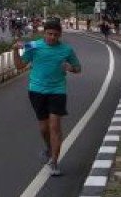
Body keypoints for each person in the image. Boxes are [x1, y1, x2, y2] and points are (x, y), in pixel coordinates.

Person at [13, 18, 81, 177]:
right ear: (44, 33)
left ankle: (54, 161)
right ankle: (50, 148)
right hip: (36, 90)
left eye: (56, 35)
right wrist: (15, 50)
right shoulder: (34, 46)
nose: (52, 37)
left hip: (58, 91)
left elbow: (78, 68)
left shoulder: (67, 50)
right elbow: (19, 66)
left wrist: (70, 67)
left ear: (60, 35)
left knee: (55, 126)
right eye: (49, 34)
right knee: (44, 128)